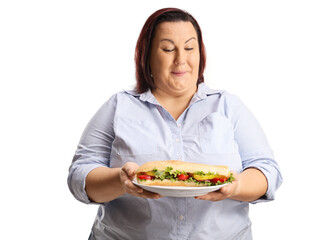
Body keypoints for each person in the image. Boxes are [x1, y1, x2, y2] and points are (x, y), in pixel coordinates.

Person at [68, 7, 282, 240]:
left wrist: (237, 185)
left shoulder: (227, 106)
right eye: (168, 49)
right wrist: (120, 180)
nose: (181, 59)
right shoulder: (118, 106)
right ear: (146, 55)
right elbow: (80, 175)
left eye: (190, 48)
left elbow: (267, 171)